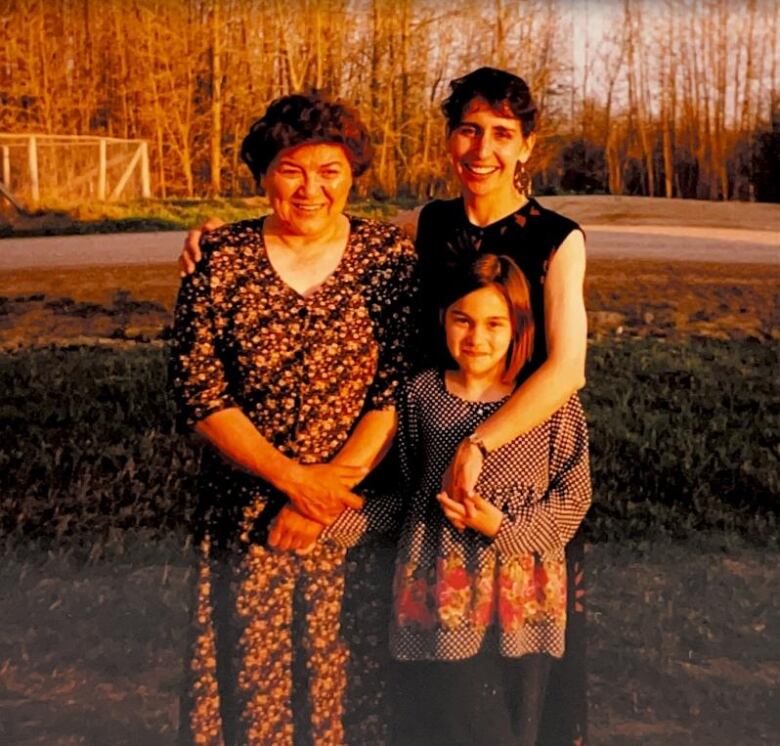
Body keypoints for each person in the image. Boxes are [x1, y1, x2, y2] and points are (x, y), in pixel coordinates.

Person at [179, 66, 589, 744]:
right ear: (449, 139)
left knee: (521, 677)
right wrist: (220, 231)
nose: (481, 149)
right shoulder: (419, 228)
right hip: (427, 454)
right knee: (430, 674)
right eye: (467, 130)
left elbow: (566, 368)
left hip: (515, 471)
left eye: (501, 134)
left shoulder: (556, 236)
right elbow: (322, 225)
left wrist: (479, 444)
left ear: (526, 147)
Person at [169, 91, 418, 745]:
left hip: (353, 513)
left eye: (330, 170)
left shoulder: (390, 262)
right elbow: (199, 391)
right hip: (248, 513)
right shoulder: (218, 261)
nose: (312, 188)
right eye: (291, 169)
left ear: (353, 176)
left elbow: (395, 388)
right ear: (263, 175)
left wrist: (324, 494)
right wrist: (291, 481)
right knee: (254, 696)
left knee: (353, 685)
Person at [319, 253, 591, 746]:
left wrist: (503, 530)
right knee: (447, 719)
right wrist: (329, 520)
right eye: (462, 320)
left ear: (519, 326)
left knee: (515, 723)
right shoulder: (420, 394)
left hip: (522, 595)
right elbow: (408, 497)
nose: (476, 338)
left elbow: (574, 496)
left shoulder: (548, 399)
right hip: (438, 592)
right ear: (442, 318)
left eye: (494, 323)